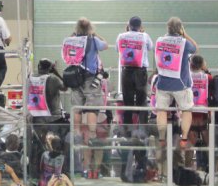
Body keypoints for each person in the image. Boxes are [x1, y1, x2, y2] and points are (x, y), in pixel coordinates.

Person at [61, 18, 107, 177]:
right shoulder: (93, 40)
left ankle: (76, 132)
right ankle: (92, 134)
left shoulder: (71, 39)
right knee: (92, 107)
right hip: (89, 77)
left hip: (75, 77)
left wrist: (74, 34)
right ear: (90, 28)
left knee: (77, 107)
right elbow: (105, 45)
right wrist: (95, 34)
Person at [154, 17, 198, 149]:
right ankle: (184, 138)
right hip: (181, 84)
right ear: (180, 29)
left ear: (167, 28)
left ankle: (162, 138)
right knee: (186, 110)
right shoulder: (184, 43)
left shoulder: (159, 40)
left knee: (161, 111)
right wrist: (185, 34)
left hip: (162, 83)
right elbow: (196, 48)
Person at [115, 16, 152, 126]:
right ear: (140, 26)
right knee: (142, 100)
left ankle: (127, 128)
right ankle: (142, 128)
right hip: (140, 72)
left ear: (129, 25)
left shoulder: (121, 36)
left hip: (126, 71)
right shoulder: (144, 36)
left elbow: (117, 49)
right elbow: (150, 47)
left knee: (127, 100)